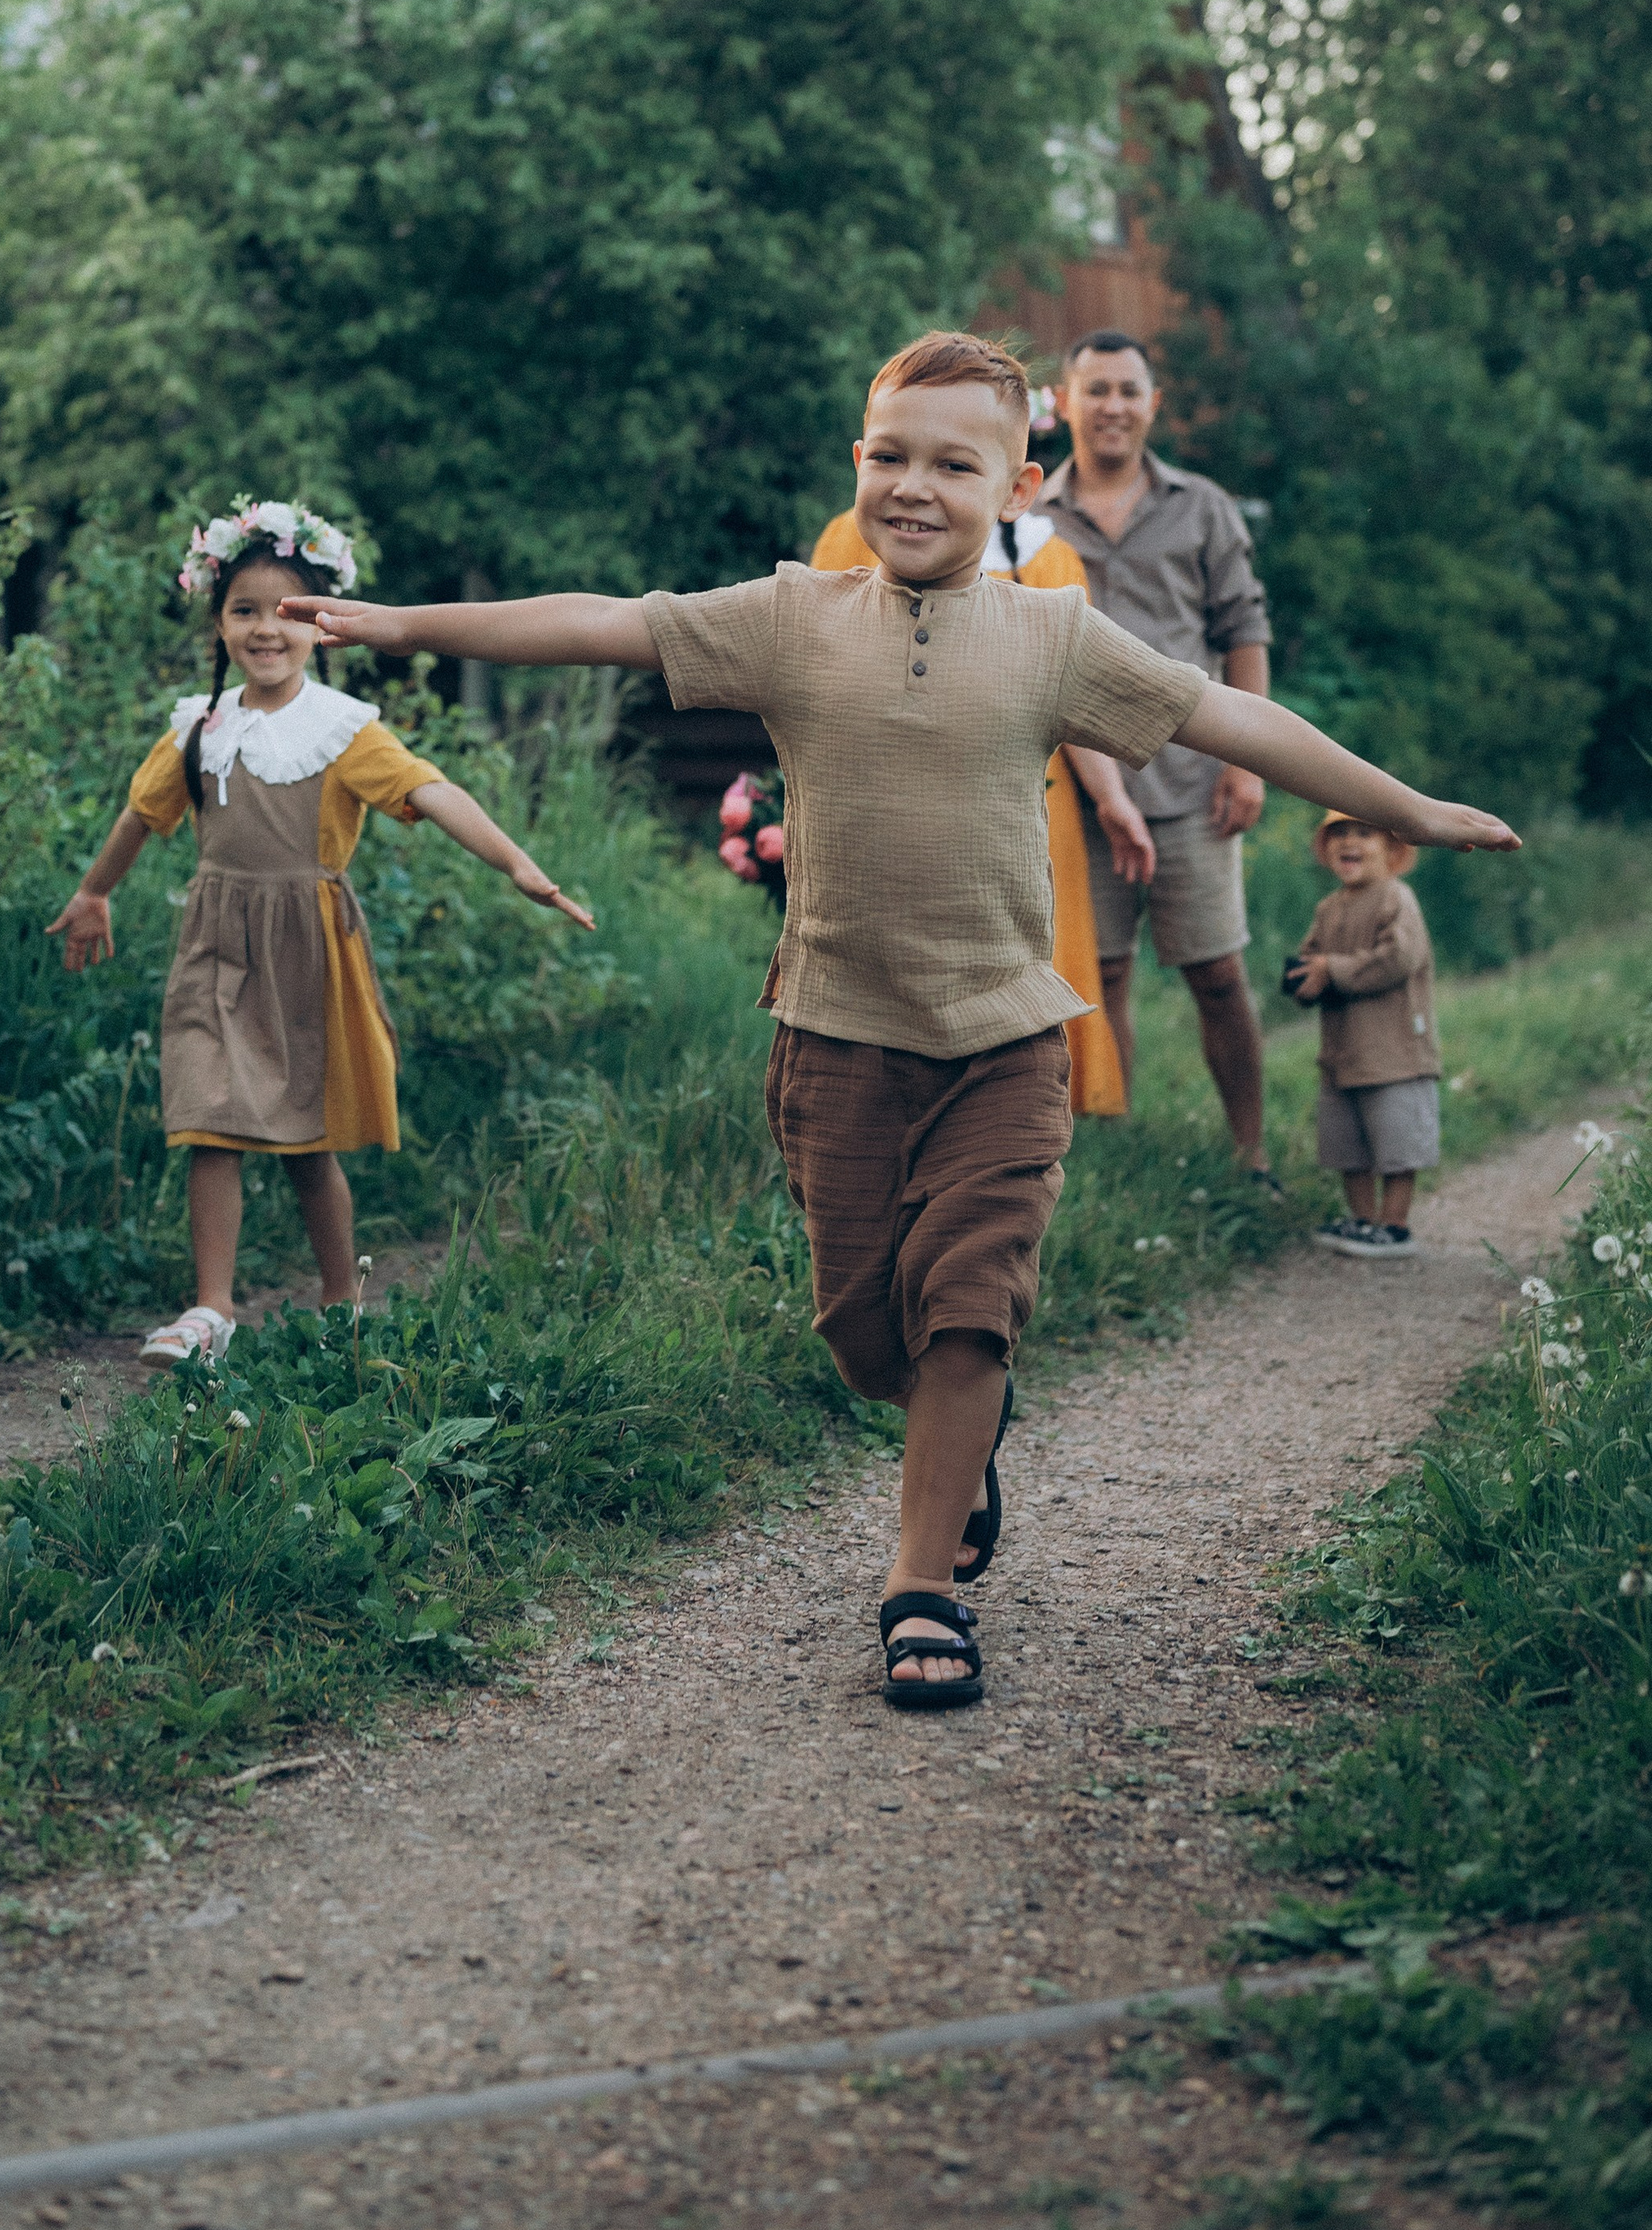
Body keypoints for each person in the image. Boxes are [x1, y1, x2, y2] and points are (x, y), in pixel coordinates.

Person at [284, 334, 1517, 1710]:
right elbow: (602, 621)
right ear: (857, 463)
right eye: (890, 455)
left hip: (1005, 1035)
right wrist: (405, 627)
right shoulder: (793, 617)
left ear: (1019, 486)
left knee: (970, 1311)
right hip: (836, 1034)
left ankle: (921, 1584)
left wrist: (1404, 807)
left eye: (954, 463)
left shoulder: (1054, 635)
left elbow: (1226, 714)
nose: (915, 485)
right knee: (868, 1336)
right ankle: (956, 1432)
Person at [47, 494, 591, 1369]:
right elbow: (141, 815)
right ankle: (211, 1308)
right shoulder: (199, 729)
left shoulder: (340, 731)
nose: (267, 629)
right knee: (208, 1119)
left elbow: (432, 791)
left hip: (307, 952)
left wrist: (515, 862)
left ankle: (343, 1303)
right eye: (245, 610)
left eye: (288, 613)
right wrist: (93, 891)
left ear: (322, 626)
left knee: (307, 1141)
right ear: (219, 623)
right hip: (214, 944)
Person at [809, 503, 1153, 1116]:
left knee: (1028, 938)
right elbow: (817, 672)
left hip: (1031, 797)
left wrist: (1111, 796)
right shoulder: (850, 536)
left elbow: (1070, 691)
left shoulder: (1052, 556)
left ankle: (1027, 1102)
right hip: (895, 786)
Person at [1037, 330, 1277, 1176]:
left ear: (1152, 404)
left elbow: (1243, 632)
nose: (1113, 406)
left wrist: (1246, 762)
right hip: (1072, 791)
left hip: (1190, 784)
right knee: (1096, 981)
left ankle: (1250, 1154)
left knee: (1217, 973)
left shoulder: (1201, 506)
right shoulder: (1028, 514)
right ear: (1064, 401)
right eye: (1096, 389)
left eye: (1128, 390)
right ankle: (1111, 1163)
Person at [1288, 812, 1442, 1254]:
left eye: (1363, 833)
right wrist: (1303, 980)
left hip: (1394, 1051)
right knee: (1347, 1144)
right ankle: (1362, 1220)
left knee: (1397, 1140)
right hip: (1342, 1053)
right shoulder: (1328, 908)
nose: (1348, 842)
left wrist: (1332, 970)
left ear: (1393, 849)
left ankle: (1394, 1225)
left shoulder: (1396, 897)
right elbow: (1311, 959)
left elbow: (1398, 959)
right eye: (1337, 834)